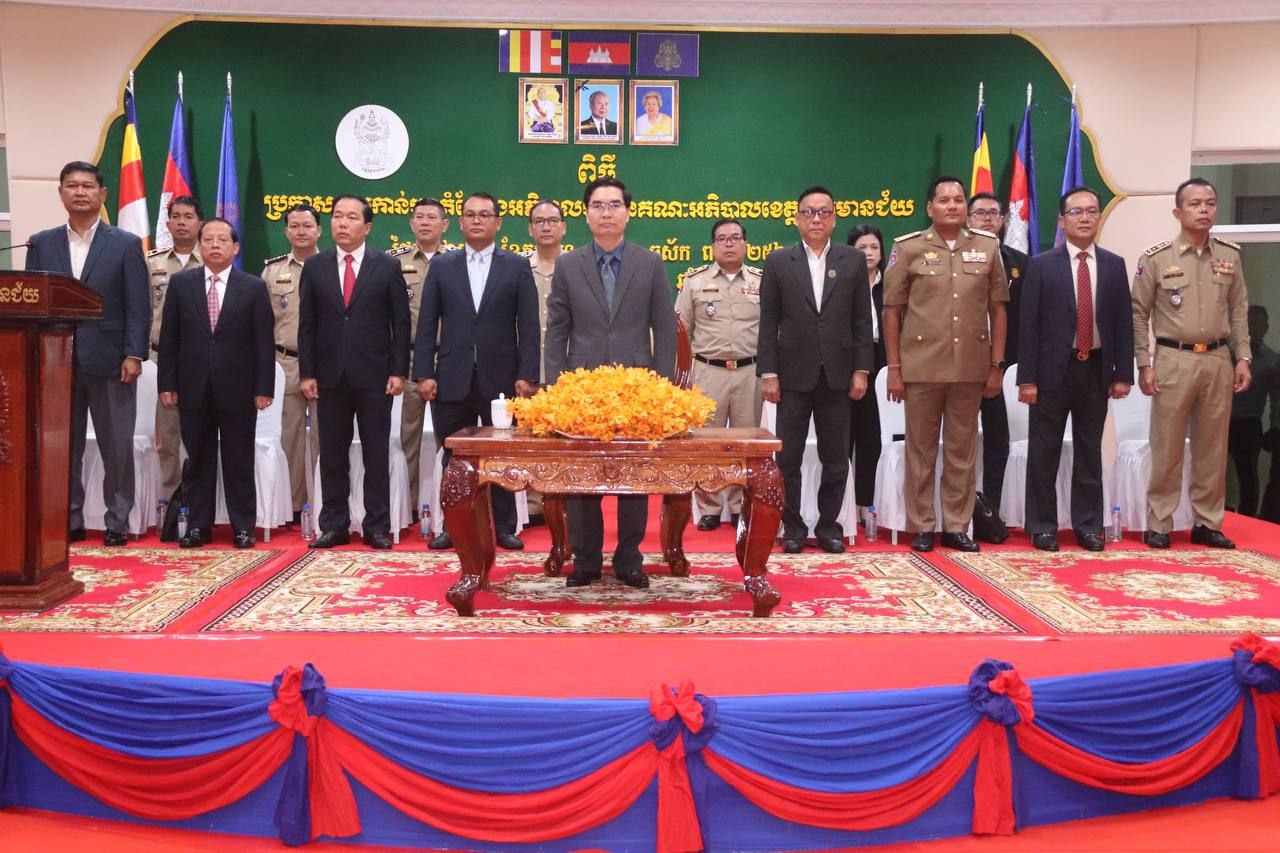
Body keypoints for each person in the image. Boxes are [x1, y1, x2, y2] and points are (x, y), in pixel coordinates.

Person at [544, 177, 676, 588]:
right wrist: (555, 388)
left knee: (634, 476)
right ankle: (585, 560)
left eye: (615, 205)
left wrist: (663, 389)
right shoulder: (568, 265)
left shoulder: (650, 263)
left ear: (628, 213)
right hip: (581, 389)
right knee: (582, 477)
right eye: (598, 205)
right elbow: (557, 330)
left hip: (637, 388)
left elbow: (665, 330)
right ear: (586, 214)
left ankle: (629, 559)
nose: (606, 213)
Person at [25, 161, 148, 547]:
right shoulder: (41, 243)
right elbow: (33, 304)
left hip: (111, 361)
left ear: (102, 194)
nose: (80, 192)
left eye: (88, 186)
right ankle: (69, 519)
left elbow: (138, 305)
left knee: (117, 446)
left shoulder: (124, 243)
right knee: (62, 446)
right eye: (72, 186)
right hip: (54, 362)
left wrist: (134, 354)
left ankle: (117, 520)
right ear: (61, 193)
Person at [883, 175, 1008, 553]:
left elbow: (998, 310)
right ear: (930, 208)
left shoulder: (987, 246)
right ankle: (922, 524)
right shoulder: (908, 248)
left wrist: (997, 365)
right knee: (920, 451)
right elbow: (892, 311)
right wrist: (894, 368)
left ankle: (956, 525)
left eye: (958, 200)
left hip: (970, 367)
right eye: (944, 200)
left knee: (962, 452)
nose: (952, 205)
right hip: (921, 367)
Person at [414, 192, 540, 552]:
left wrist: (527, 375)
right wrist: (424, 373)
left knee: (500, 454)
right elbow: (427, 324)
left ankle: (504, 527)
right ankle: (454, 526)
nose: (477, 220)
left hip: (501, 379)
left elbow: (529, 326)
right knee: (454, 456)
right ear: (460, 222)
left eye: (485, 215)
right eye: (470, 215)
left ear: (498, 222)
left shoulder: (516, 266)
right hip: (451, 376)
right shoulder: (443, 266)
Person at [1134, 178, 1251, 548]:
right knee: (1167, 446)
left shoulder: (1230, 255)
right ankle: (1160, 522)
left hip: (1218, 358)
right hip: (1173, 358)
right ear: (1177, 211)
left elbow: (1238, 310)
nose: (1204, 210)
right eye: (1195, 204)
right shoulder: (1157, 258)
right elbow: (1138, 314)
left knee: (1212, 448)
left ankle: (1207, 521)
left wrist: (1243, 356)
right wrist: (1144, 362)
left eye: (1210, 203)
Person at [757, 185, 874, 554]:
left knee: (836, 458)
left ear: (834, 219)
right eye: (809, 212)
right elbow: (768, 322)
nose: (816, 219)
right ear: (797, 219)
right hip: (792, 376)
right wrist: (768, 373)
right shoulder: (779, 261)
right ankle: (793, 527)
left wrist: (861, 370)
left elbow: (861, 320)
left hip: (838, 375)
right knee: (787, 458)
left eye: (824, 212)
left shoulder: (852, 260)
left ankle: (828, 526)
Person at [1017, 187, 1133, 551]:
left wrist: (1123, 374)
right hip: (1052, 372)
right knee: (1044, 453)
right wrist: (1027, 379)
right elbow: (1028, 326)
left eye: (1091, 211)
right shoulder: (1041, 265)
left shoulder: (1114, 264)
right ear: (1062, 220)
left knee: (1089, 452)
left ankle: (1088, 526)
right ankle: (1042, 527)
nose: (1085, 218)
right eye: (1076, 212)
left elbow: (1123, 323)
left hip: (1095, 370)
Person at [298, 194, 411, 550]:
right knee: (332, 454)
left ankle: (377, 526)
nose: (342, 223)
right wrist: (307, 373)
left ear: (367, 226)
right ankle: (334, 525)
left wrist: (398, 371)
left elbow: (401, 324)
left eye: (351, 217)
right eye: (337, 216)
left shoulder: (386, 266)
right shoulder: (315, 266)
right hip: (329, 376)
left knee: (376, 453)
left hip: (375, 376)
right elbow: (307, 325)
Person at [157, 219, 275, 548]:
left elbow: (263, 342)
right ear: (199, 246)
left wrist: (263, 388)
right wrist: (167, 383)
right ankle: (198, 526)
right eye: (208, 239)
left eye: (222, 240)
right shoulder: (181, 284)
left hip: (239, 389)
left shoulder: (252, 287)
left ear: (235, 248)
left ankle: (243, 527)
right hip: (192, 386)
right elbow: (169, 338)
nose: (214, 245)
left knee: (239, 459)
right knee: (197, 459)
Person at [677, 217, 763, 531]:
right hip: (707, 372)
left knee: (744, 444)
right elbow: (681, 331)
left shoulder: (761, 282)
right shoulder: (694, 282)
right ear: (713, 246)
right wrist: (682, 378)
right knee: (707, 442)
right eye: (722, 238)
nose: (729, 243)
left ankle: (740, 506)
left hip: (749, 372)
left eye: (735, 237)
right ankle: (710, 507)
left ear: (745, 244)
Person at [966, 193, 1028, 525]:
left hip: (1005, 367)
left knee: (998, 440)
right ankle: (959, 512)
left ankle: (993, 511)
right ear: (968, 220)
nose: (987, 218)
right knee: (960, 444)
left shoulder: (1020, 263)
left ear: (1003, 221)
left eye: (994, 213)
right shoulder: (956, 259)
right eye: (980, 213)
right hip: (962, 365)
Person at [261, 203, 322, 519]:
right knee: (289, 439)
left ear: (319, 231)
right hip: (284, 363)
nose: (301, 231)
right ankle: (294, 507)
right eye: (294, 226)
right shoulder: (272, 272)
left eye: (307, 226)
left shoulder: (330, 266)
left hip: (325, 366)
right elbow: (261, 324)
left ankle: (324, 505)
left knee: (326, 440)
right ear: (285, 231)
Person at [393, 198, 450, 513]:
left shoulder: (456, 261)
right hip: (409, 361)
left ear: (445, 225)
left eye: (432, 217)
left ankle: (450, 510)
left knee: (450, 441)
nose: (425, 222)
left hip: (448, 360)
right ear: (411, 224)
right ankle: (408, 508)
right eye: (419, 217)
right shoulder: (394, 263)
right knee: (406, 440)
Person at [146, 195, 203, 501]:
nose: (182, 222)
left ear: (200, 223)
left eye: (188, 217)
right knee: (166, 437)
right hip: (159, 359)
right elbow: (142, 311)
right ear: (167, 224)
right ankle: (170, 501)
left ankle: (199, 499)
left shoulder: (212, 261)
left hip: (201, 360)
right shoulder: (151, 263)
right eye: (176, 217)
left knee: (200, 435)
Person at [525, 198, 568, 525]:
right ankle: (530, 505)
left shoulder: (577, 267)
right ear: (530, 229)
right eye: (539, 221)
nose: (546, 227)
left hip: (567, 372)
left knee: (564, 440)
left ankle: (565, 499)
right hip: (527, 371)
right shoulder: (517, 268)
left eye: (552, 221)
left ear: (563, 227)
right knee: (528, 439)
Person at [846, 224, 887, 517]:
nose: (869, 253)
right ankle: (844, 505)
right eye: (862, 248)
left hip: (883, 365)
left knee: (872, 437)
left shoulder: (892, 284)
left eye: (874, 247)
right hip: (848, 365)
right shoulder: (843, 284)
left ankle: (866, 503)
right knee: (844, 437)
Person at [1229, 307, 1276, 518]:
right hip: (1222, 420)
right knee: (1212, 470)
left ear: (1266, 328)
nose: (1253, 328)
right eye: (1249, 323)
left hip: (1249, 423)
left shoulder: (1272, 361)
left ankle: (1248, 516)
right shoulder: (1226, 355)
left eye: (1257, 323)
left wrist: (1274, 428)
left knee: (1247, 473)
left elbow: (1276, 399)